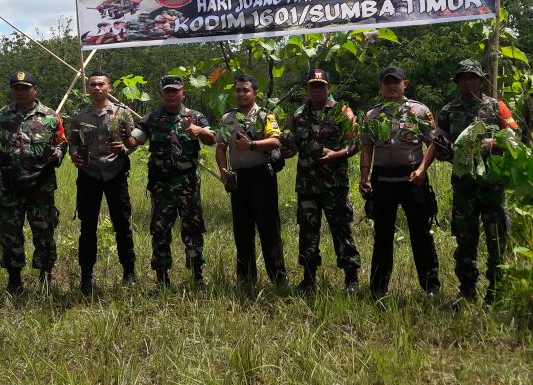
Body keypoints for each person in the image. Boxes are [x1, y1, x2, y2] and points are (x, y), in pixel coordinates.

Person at [418, 60, 518, 304]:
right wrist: (442, 152)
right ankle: (467, 290)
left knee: (497, 239)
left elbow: (515, 139)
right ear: (458, 82)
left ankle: (496, 291)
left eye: (472, 77)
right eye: (463, 78)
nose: (468, 81)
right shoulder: (448, 110)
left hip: (493, 186)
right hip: (464, 187)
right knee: (465, 239)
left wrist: (491, 144)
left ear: (481, 80)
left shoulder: (496, 107)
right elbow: (439, 143)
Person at [127, 75, 216, 288]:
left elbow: (212, 140)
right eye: (167, 91)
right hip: (161, 186)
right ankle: (162, 278)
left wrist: (200, 131)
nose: (171, 94)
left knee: (193, 229)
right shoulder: (152, 119)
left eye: (175, 91)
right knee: (160, 231)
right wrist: (123, 134)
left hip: (188, 185)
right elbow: (135, 140)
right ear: (161, 95)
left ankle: (197, 276)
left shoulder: (195, 116)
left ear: (183, 93)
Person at [359, 66, 440, 299]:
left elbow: (433, 143)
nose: (392, 85)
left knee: (421, 233)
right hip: (382, 180)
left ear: (406, 83)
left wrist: (423, 169)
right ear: (381, 86)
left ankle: (430, 287)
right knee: (382, 235)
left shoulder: (419, 110)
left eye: (396, 81)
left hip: (412, 179)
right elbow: (367, 147)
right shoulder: (372, 115)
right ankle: (377, 288)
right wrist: (364, 177)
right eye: (387, 82)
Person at [281, 69, 361, 294]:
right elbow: (294, 145)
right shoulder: (298, 115)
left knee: (341, 230)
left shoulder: (341, 112)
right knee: (308, 231)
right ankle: (308, 278)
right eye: (312, 86)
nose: (317, 89)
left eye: (321, 85)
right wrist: (287, 150)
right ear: (307, 89)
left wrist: (337, 155)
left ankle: (351, 278)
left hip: (334, 184)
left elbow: (355, 143)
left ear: (329, 88)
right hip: (307, 185)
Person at [0, 71, 67, 294]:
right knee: (9, 234)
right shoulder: (0, 117)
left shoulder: (51, 117)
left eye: (25, 88)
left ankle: (46, 276)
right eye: (16, 88)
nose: (21, 92)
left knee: (44, 232)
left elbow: (62, 143)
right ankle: (14, 280)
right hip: (9, 187)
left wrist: (57, 154)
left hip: (40, 186)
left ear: (35, 89)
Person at [215, 73, 287, 289]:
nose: (241, 94)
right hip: (239, 179)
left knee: (269, 230)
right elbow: (220, 148)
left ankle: (278, 278)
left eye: (245, 90)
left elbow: (276, 141)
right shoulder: (228, 119)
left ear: (255, 92)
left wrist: (252, 145)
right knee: (242, 230)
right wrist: (223, 170)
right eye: (238, 90)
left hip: (262, 176)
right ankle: (246, 280)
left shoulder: (266, 116)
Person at [69, 70, 137, 293]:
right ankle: (86, 276)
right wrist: (75, 155)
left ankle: (129, 272)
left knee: (122, 225)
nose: (97, 88)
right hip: (89, 175)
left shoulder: (122, 114)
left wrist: (125, 149)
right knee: (87, 227)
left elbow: (134, 141)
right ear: (88, 89)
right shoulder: (80, 116)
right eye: (92, 85)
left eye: (101, 84)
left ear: (110, 88)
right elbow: (72, 142)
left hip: (115, 174)